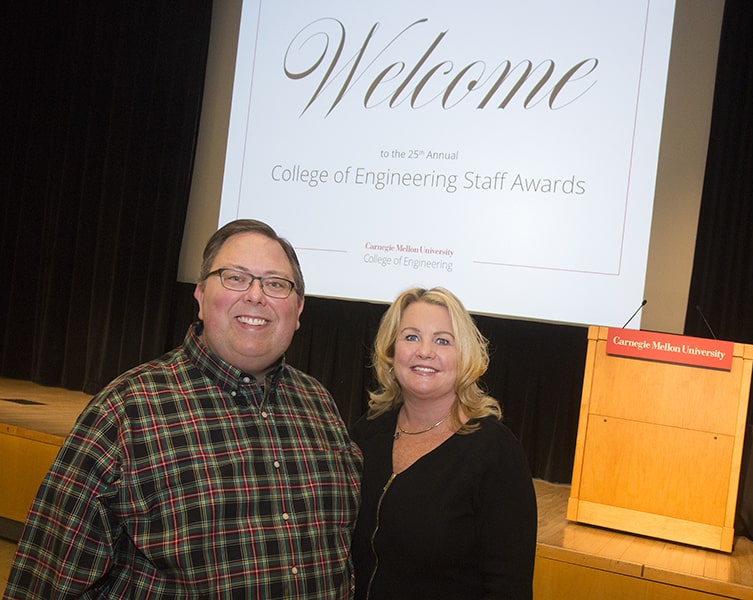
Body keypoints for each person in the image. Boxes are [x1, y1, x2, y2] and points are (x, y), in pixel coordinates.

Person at [3, 219, 363, 599]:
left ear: (299, 308)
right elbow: (44, 582)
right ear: (201, 296)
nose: (256, 296)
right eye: (236, 277)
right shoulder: (127, 412)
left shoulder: (319, 406)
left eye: (275, 284)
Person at [351, 287, 537, 600]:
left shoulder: (495, 452)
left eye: (442, 340)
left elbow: (510, 588)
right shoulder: (366, 433)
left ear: (464, 355)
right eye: (411, 337)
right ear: (391, 349)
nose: (425, 351)